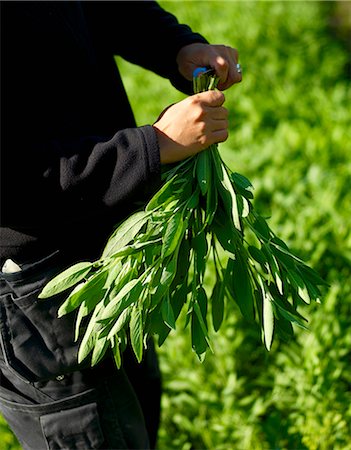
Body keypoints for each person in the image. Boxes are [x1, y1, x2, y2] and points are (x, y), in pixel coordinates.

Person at [0, 1, 241, 449]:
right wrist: (152, 147)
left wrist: (175, 47)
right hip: (37, 287)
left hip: (108, 245)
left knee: (136, 417)